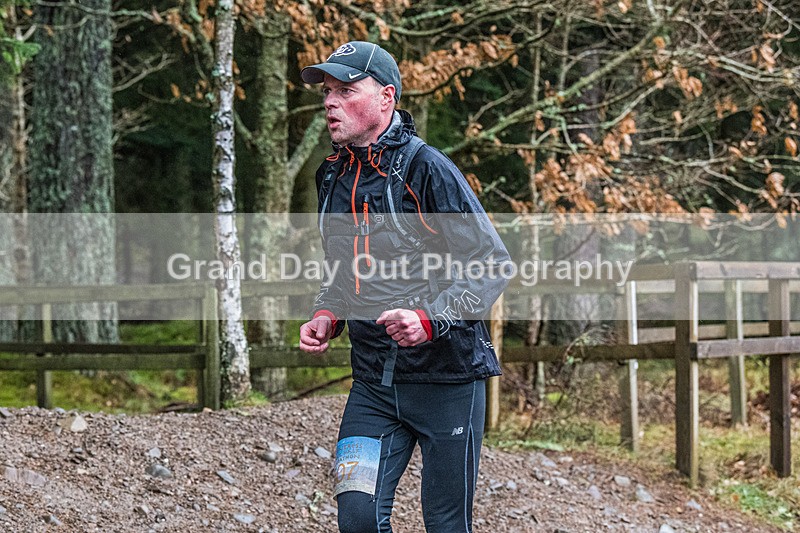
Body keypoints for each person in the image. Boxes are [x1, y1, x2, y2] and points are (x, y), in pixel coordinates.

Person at [298, 41, 509, 533]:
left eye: (346, 90)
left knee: (446, 525)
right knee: (358, 519)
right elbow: (341, 268)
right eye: (327, 91)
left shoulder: (427, 169)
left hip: (448, 382)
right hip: (374, 385)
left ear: (386, 99)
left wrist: (430, 318)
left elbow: (491, 262)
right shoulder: (331, 176)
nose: (330, 102)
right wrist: (327, 314)